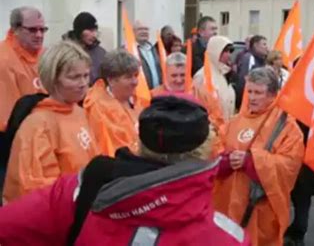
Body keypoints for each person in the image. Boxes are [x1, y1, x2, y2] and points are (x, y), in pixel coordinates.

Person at [0, 95, 251, 246]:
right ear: (206, 149)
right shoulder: (229, 239)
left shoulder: (79, 191)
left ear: (140, 141)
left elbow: (8, 226)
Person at [212, 67, 304, 246]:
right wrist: (227, 161)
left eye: (258, 93)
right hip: (227, 205)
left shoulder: (287, 127)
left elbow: (289, 165)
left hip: (260, 210)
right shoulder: (235, 121)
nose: (252, 97)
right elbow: (215, 151)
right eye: (250, 91)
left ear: (272, 95)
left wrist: (251, 162)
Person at [2, 41, 99, 204]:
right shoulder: (38, 125)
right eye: (74, 77)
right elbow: (35, 188)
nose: (83, 83)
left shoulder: (80, 112)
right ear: (53, 79)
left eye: (85, 75)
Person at [0, 7, 46, 183]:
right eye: (33, 30)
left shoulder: (44, 55)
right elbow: (9, 117)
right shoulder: (3, 60)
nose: (39, 35)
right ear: (16, 30)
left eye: (42, 29)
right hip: (10, 140)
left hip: (39, 135)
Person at [83, 49, 142, 156]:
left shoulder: (136, 99)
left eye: (136, 75)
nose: (135, 82)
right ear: (111, 80)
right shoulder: (99, 108)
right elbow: (111, 149)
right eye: (128, 77)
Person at [151, 52, 224, 134]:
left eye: (183, 75)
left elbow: (218, 121)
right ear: (166, 74)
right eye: (174, 76)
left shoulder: (203, 94)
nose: (179, 80)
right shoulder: (154, 96)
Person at [193, 35, 236, 121]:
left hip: (227, 129)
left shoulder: (224, 74)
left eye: (230, 51)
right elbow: (197, 108)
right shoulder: (201, 77)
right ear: (215, 51)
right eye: (225, 51)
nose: (228, 55)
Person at [63, 12, 106, 85]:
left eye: (95, 30)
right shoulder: (64, 52)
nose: (94, 35)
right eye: (90, 30)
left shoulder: (102, 54)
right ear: (79, 31)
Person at [236, 35, 269, 108]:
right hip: (248, 103)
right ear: (256, 45)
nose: (267, 47)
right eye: (264, 44)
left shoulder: (262, 61)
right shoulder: (249, 58)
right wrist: (243, 103)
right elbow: (243, 81)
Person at [134, 20, 162, 89]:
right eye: (140, 29)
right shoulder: (127, 50)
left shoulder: (154, 49)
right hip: (139, 93)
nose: (144, 32)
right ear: (133, 32)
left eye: (146, 29)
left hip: (157, 92)